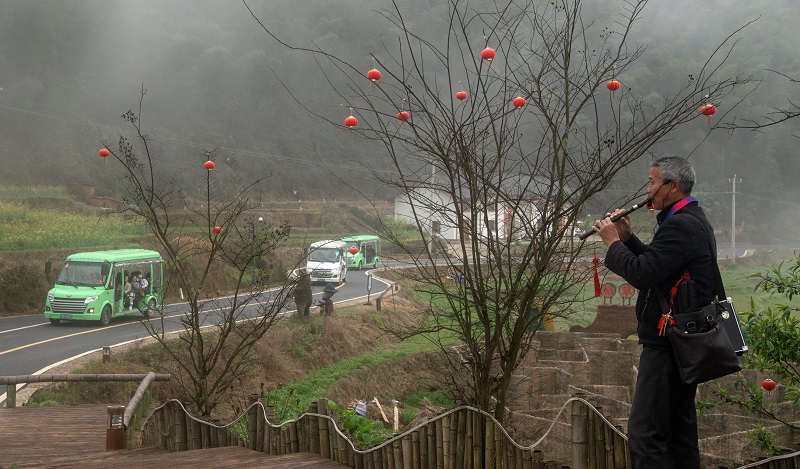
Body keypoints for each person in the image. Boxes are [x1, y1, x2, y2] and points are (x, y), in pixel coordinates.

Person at [592, 156, 715, 468]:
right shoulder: (687, 219)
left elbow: (643, 274)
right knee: (678, 432)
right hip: (681, 341)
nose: (648, 190)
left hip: (668, 343)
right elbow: (660, 267)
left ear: (672, 186)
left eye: (651, 182)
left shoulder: (682, 225)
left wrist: (612, 244)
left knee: (645, 434)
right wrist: (628, 239)